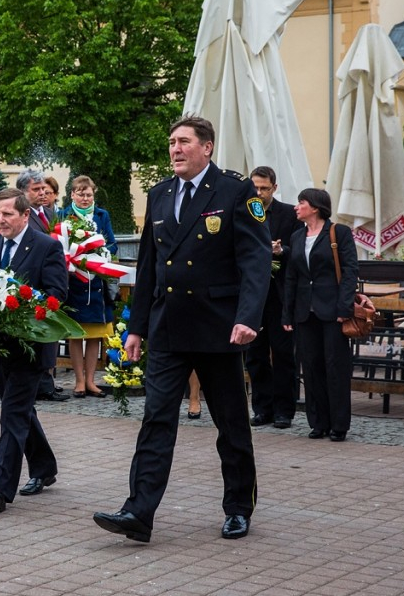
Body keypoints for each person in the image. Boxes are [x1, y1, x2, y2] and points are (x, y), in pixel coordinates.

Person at [93, 115, 271, 543]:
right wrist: (135, 328)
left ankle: (237, 507)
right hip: (169, 327)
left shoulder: (235, 190)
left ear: (206, 147)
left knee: (230, 422)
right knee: (156, 418)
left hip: (218, 328)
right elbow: (150, 267)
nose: (175, 149)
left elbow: (255, 259)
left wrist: (248, 317)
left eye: (184, 142)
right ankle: (138, 511)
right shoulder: (160, 193)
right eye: (171, 142)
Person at [0, 188, 69, 513]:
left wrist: (21, 303)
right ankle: (44, 467)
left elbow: (56, 293)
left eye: (7, 214)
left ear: (25, 215)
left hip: (31, 348)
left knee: (11, 414)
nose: (0, 220)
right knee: (21, 410)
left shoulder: (47, 246)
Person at [282, 188, 357, 442]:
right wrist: (287, 314)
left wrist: (344, 308)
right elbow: (291, 278)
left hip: (333, 311)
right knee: (311, 368)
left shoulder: (339, 233)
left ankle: (338, 425)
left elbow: (349, 272)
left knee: (335, 367)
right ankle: (318, 423)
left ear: (314, 207)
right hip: (305, 312)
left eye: (300, 202)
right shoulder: (296, 236)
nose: (296, 207)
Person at [246, 166, 299, 429]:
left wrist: (282, 250)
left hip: (280, 294)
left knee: (282, 353)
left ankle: (284, 410)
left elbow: (299, 249)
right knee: (254, 354)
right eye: (255, 187)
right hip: (253, 294)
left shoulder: (289, 214)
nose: (259, 192)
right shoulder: (245, 210)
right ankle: (262, 408)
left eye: (264, 188)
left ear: (274, 188)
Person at [58, 175, 118, 398]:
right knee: (75, 334)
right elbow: (58, 243)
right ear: (72, 194)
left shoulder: (102, 215)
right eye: (80, 194)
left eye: (89, 194)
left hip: (96, 280)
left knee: (94, 334)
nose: (85, 198)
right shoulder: (63, 216)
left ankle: (92, 381)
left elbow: (112, 243)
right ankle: (79, 381)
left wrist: (100, 253)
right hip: (74, 280)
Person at [16, 169, 69, 402]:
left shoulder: (49, 213)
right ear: (22, 192)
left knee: (49, 335)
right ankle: (40, 384)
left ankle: (46, 382)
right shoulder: (23, 216)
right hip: (31, 280)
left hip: (51, 280)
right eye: (35, 189)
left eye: (43, 189)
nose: (42, 193)